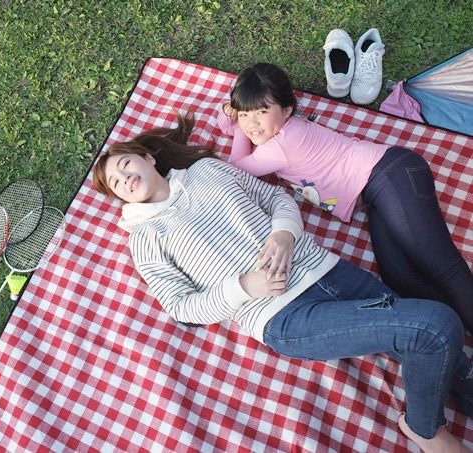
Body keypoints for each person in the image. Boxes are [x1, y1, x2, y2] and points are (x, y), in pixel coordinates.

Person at [92, 113, 473, 452]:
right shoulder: (143, 238)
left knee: (450, 358)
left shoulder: (208, 171)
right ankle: (425, 429)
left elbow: (277, 198)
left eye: (126, 164)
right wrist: (244, 287)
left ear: (149, 158)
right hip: (284, 317)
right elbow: (180, 306)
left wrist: (284, 235)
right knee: (436, 327)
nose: (124, 178)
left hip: (329, 272)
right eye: (115, 183)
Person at [217, 62, 473, 335]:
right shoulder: (277, 132)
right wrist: (232, 115)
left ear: (287, 110)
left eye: (262, 112)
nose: (251, 124)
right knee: (400, 279)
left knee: (442, 267)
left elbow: (237, 168)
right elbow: (228, 123)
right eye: (244, 115)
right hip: (378, 193)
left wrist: (236, 124)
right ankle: (451, 332)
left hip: (389, 175)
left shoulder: (283, 143)